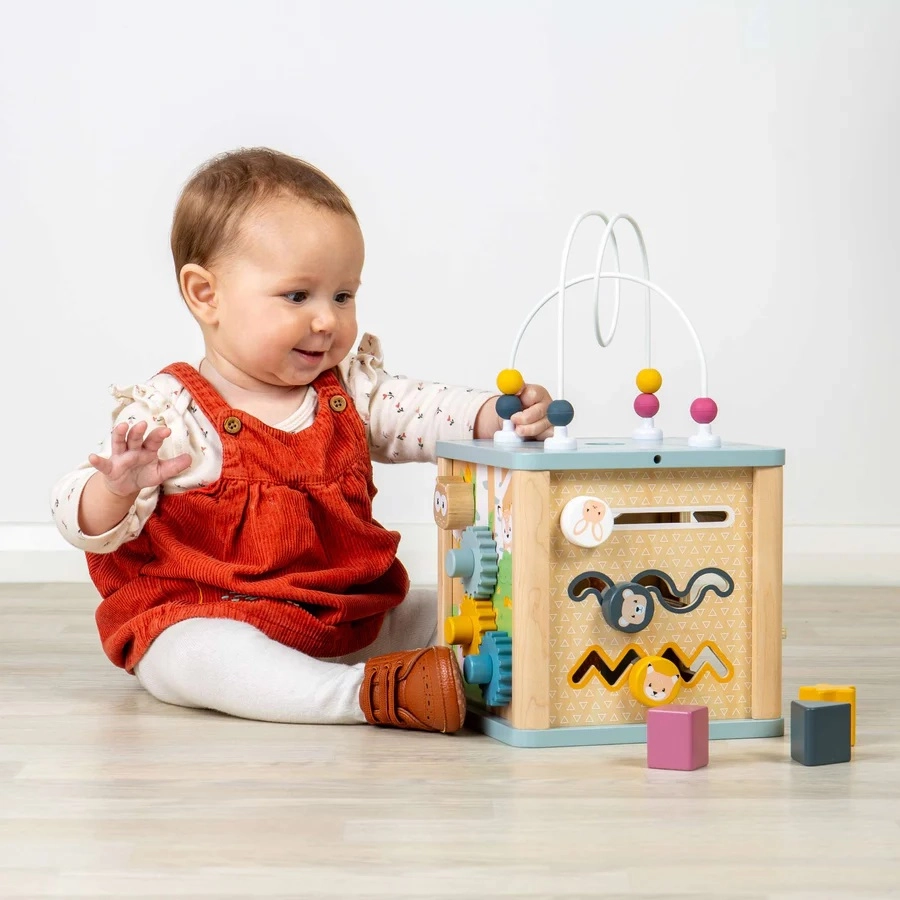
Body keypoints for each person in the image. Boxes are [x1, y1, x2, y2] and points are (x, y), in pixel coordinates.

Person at [51, 147, 552, 734]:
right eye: (298, 296)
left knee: (454, 608)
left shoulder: (350, 392)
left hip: (344, 616)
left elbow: (423, 410)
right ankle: (361, 695)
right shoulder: (170, 415)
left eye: (343, 296)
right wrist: (115, 489)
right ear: (206, 295)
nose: (327, 320)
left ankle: (465, 673)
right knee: (191, 654)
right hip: (214, 613)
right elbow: (73, 515)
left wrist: (495, 415)